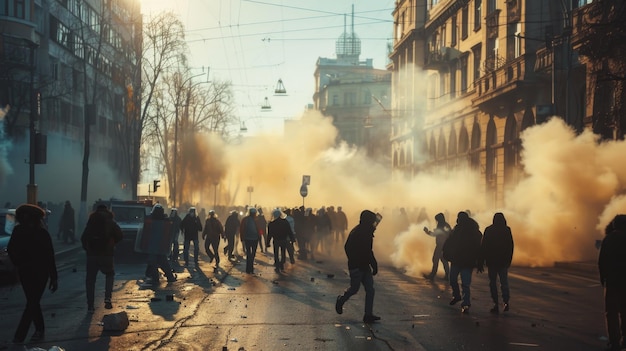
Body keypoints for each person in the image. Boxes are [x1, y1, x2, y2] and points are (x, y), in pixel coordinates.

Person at [7, 204, 58, 343]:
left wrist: (18, 262)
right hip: (38, 272)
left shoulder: (20, 231)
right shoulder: (42, 233)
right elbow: (50, 256)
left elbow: (11, 251)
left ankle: (21, 335)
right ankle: (38, 329)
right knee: (33, 301)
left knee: (32, 301)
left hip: (28, 272)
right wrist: (53, 277)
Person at [335, 210, 382, 323]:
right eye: (371, 220)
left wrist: (372, 264)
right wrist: (358, 261)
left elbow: (368, 251)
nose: (373, 223)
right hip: (357, 266)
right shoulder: (359, 232)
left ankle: (368, 315)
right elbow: (360, 250)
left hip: (364, 266)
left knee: (370, 290)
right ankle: (341, 300)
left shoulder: (364, 230)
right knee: (354, 289)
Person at [81, 204, 123, 311]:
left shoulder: (91, 221)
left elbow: (83, 238)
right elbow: (120, 235)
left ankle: (90, 305)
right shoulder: (110, 221)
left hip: (92, 255)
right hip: (106, 254)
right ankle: (107, 298)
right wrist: (111, 244)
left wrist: (88, 249)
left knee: (90, 280)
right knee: (109, 275)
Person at [442, 211, 483, 314]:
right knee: (454, 280)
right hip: (459, 260)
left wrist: (479, 261)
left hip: (466, 261)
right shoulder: (458, 229)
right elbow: (449, 242)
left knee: (464, 284)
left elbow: (478, 247)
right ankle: (457, 296)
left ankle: (465, 303)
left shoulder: (472, 230)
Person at [598, 214, 626, 351]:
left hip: (613, 282)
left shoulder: (608, 239)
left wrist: (603, 278)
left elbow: (602, 261)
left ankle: (614, 341)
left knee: (612, 313)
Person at [481, 212, 514, 314]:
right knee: (504, 282)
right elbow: (510, 246)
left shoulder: (489, 230)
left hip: (492, 262)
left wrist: (482, 260)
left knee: (493, 283)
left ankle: (496, 303)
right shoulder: (506, 230)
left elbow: (484, 246)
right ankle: (506, 302)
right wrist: (508, 260)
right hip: (503, 262)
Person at [143, 204, 176, 284]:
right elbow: (169, 233)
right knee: (164, 262)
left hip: (152, 245)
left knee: (153, 263)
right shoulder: (166, 221)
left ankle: (155, 278)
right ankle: (170, 277)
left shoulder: (150, 220)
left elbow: (145, 232)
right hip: (161, 245)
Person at [423, 212, 451, 281]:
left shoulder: (444, 226)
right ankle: (446, 276)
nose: (436, 222)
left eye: (437, 220)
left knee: (436, 259)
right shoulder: (444, 225)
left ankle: (432, 275)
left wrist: (427, 232)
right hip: (443, 245)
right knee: (443, 260)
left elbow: (437, 234)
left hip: (441, 246)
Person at [266, 208, 295, 273]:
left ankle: (277, 266)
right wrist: (292, 239)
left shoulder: (271, 224)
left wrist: (267, 242)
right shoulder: (285, 222)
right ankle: (282, 264)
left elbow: (269, 234)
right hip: (283, 240)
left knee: (276, 253)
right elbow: (289, 231)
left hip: (276, 240)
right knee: (283, 253)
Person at [239, 207, 259, 274]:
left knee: (248, 254)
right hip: (255, 239)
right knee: (253, 254)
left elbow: (241, 229)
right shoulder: (257, 220)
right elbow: (260, 229)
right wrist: (260, 235)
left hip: (247, 239)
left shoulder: (245, 219)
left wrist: (242, 238)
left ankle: (248, 269)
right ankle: (251, 268)